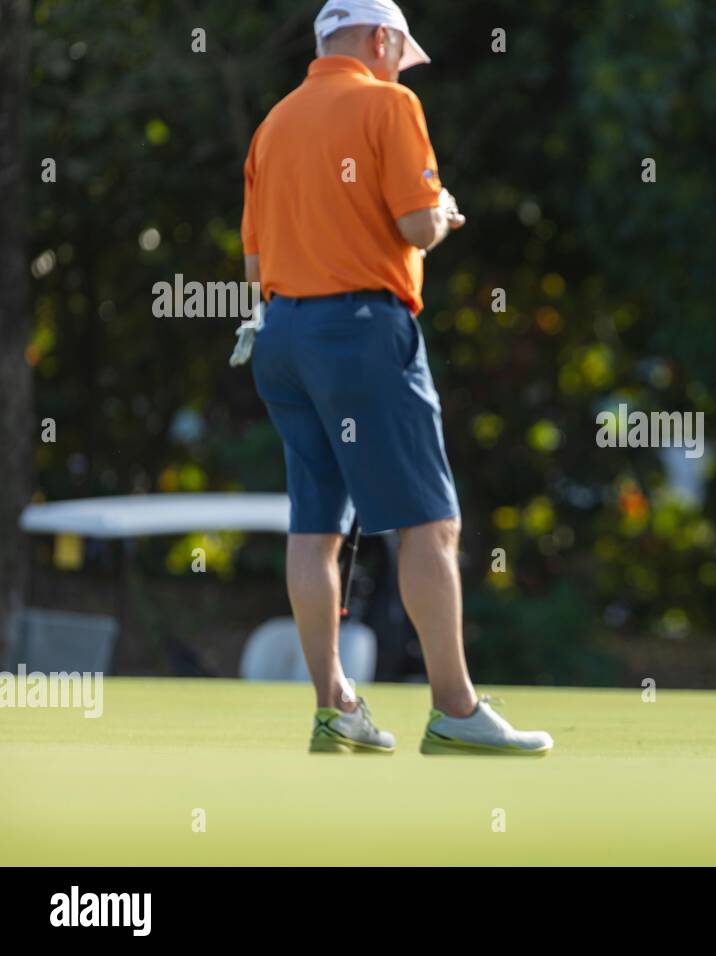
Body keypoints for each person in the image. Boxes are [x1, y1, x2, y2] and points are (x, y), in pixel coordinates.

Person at [238, 0, 552, 755]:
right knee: (430, 522)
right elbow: (416, 225)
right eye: (397, 52)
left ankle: (335, 706)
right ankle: (454, 707)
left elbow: (254, 266)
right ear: (381, 40)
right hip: (361, 333)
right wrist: (441, 211)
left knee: (316, 528)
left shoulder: (274, 123)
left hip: (280, 338)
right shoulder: (390, 102)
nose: (397, 67)